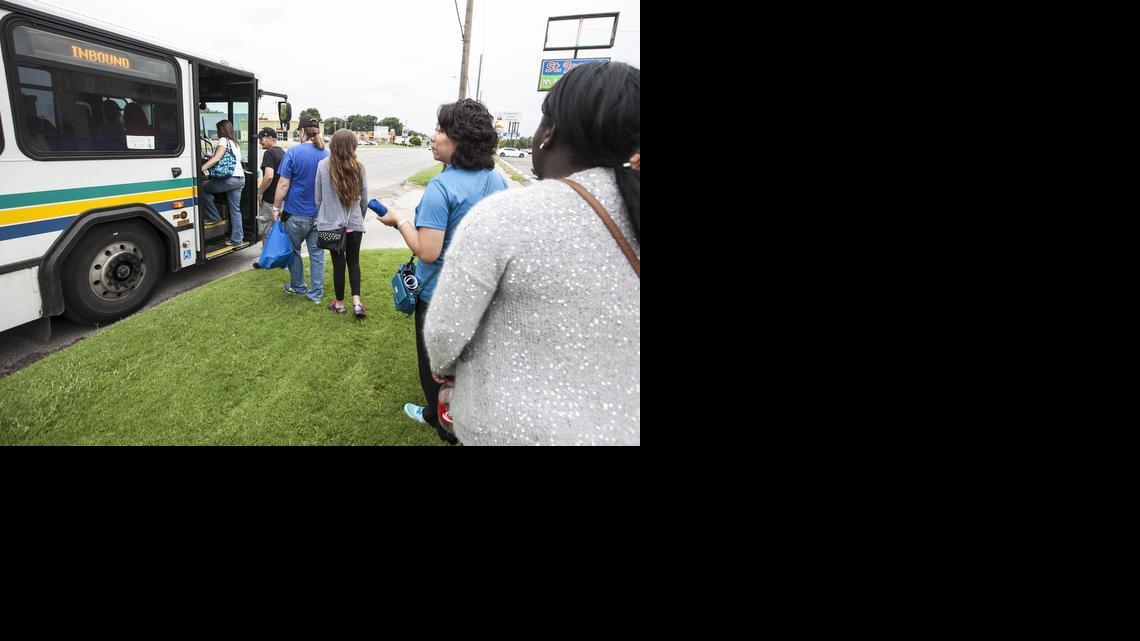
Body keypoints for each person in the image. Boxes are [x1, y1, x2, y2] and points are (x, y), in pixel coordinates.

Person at [422, 62, 641, 446]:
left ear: (549, 131)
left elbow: (445, 332)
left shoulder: (505, 215)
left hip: (513, 429)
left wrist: (442, 367)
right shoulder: (628, 208)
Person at [376, 99, 507, 444]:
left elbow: (427, 251)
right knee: (468, 366)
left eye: (439, 130)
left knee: (435, 368)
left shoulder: (441, 187)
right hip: (482, 295)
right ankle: (453, 417)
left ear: (460, 139)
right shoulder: (496, 179)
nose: (432, 137)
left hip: (439, 299)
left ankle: (443, 424)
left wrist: (399, 220)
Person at [272, 117, 329, 304]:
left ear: (302, 131)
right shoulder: (328, 153)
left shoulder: (293, 152)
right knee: (317, 255)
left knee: (294, 252)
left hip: (295, 214)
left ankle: (299, 287)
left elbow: (283, 184)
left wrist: (276, 207)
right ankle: (316, 294)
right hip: (319, 216)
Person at [315, 129, 369, 318]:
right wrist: (358, 217)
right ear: (353, 146)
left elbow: (318, 198)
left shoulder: (323, 166)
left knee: (338, 264)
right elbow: (364, 199)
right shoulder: (359, 167)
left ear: (333, 145)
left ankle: (339, 304)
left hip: (331, 225)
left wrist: (324, 216)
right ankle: (357, 303)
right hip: (354, 223)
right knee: (354, 262)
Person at [200, 119, 246, 246]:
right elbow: (225, 157)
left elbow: (217, 158)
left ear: (221, 130)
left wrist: (201, 168)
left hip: (229, 179)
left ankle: (214, 217)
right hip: (240, 178)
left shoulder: (223, 140)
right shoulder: (234, 143)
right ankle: (237, 240)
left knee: (202, 188)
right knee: (235, 210)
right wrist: (209, 157)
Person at [255, 127, 285, 245]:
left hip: (269, 200)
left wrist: (260, 192)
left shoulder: (269, 153)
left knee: (266, 231)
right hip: (281, 200)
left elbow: (269, 176)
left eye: (261, 139)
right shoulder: (283, 153)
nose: (260, 142)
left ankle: (267, 255)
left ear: (269, 138)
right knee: (279, 230)